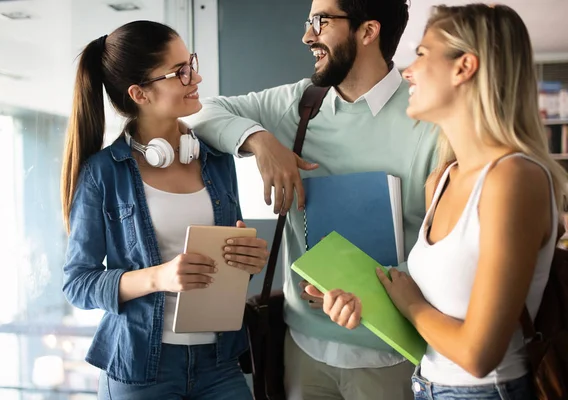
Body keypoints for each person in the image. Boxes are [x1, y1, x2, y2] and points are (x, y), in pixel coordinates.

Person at [184, 0, 437, 398]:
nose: (307, 36)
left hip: (391, 356)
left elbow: (443, 247)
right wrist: (260, 140)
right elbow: (199, 113)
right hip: (301, 348)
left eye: (321, 21)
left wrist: (363, 292)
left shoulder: (428, 117)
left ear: (367, 31)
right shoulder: (300, 103)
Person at [323, 4, 567, 400]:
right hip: (427, 384)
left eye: (421, 54)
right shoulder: (441, 179)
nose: (406, 71)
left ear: (463, 67)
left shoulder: (513, 179)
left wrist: (411, 305)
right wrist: (362, 298)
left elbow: (477, 354)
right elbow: (437, 296)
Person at [60, 20, 269, 400]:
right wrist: (158, 278)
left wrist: (247, 261)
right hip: (140, 367)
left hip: (220, 361)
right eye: (181, 72)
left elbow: (223, 269)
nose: (196, 76)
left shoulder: (217, 160)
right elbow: (78, 284)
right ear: (139, 93)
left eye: (191, 62)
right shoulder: (102, 174)